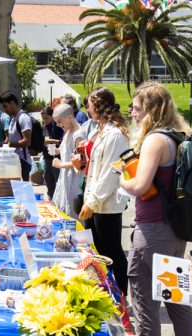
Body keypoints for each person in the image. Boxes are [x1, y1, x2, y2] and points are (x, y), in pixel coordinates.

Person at [119, 82, 192, 336]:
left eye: (138, 109)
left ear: (151, 111)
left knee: (145, 302)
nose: (133, 114)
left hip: (152, 229)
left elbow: (140, 186)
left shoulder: (155, 140)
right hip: (175, 229)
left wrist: (121, 178)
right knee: (177, 298)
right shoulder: (180, 136)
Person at [79, 87, 130, 294]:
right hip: (95, 200)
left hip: (106, 204)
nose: (88, 110)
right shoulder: (99, 131)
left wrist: (93, 202)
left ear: (97, 106)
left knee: (112, 251)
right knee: (98, 252)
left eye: (90, 105)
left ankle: (122, 295)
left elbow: (111, 172)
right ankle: (105, 291)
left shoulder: (116, 135)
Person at [50, 103, 85, 219]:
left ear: (69, 117)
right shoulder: (68, 131)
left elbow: (82, 162)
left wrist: (61, 164)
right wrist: (57, 151)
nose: (58, 125)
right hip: (65, 180)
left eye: (59, 121)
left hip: (74, 182)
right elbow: (68, 150)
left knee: (73, 218)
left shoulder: (79, 134)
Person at [1, 92, 33, 181]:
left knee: (22, 192)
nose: (5, 109)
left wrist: (9, 144)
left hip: (23, 162)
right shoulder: (13, 118)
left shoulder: (23, 118)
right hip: (15, 161)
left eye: (5, 106)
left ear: (12, 103)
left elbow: (27, 141)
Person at [41, 106, 64, 200]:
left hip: (56, 157)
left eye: (46, 118)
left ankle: (59, 200)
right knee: (48, 179)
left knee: (58, 180)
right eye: (43, 119)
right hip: (46, 157)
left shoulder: (57, 127)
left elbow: (62, 141)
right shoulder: (44, 128)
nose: (44, 120)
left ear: (52, 116)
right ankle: (51, 198)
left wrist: (52, 141)